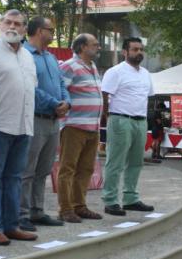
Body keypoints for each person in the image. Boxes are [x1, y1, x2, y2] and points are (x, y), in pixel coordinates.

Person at [0, 10, 38, 245]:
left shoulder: (27, 57)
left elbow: (31, 88)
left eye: (18, 24)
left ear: (25, 30)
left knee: (14, 178)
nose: (12, 27)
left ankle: (11, 225)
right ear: (0, 24)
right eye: (8, 22)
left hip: (23, 126)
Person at [18, 16, 70, 231]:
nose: (53, 33)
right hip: (35, 118)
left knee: (44, 169)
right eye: (51, 29)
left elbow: (60, 83)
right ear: (40, 31)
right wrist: (54, 103)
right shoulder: (23, 55)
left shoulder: (50, 57)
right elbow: (29, 86)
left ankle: (37, 211)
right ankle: (21, 214)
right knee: (27, 170)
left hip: (53, 120)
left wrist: (66, 101)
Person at [101, 37, 155, 216]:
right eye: (134, 49)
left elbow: (146, 96)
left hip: (141, 121)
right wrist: (107, 117)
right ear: (125, 52)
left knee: (136, 162)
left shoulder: (146, 73)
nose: (139, 52)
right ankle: (110, 201)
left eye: (141, 49)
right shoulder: (115, 71)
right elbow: (105, 95)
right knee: (115, 162)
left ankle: (130, 199)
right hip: (120, 119)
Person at [57, 33, 104, 223]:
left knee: (85, 169)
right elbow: (60, 91)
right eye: (95, 44)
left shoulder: (92, 66)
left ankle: (80, 205)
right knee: (67, 169)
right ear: (83, 47)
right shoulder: (69, 66)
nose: (98, 47)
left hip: (92, 127)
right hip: (74, 126)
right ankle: (66, 209)